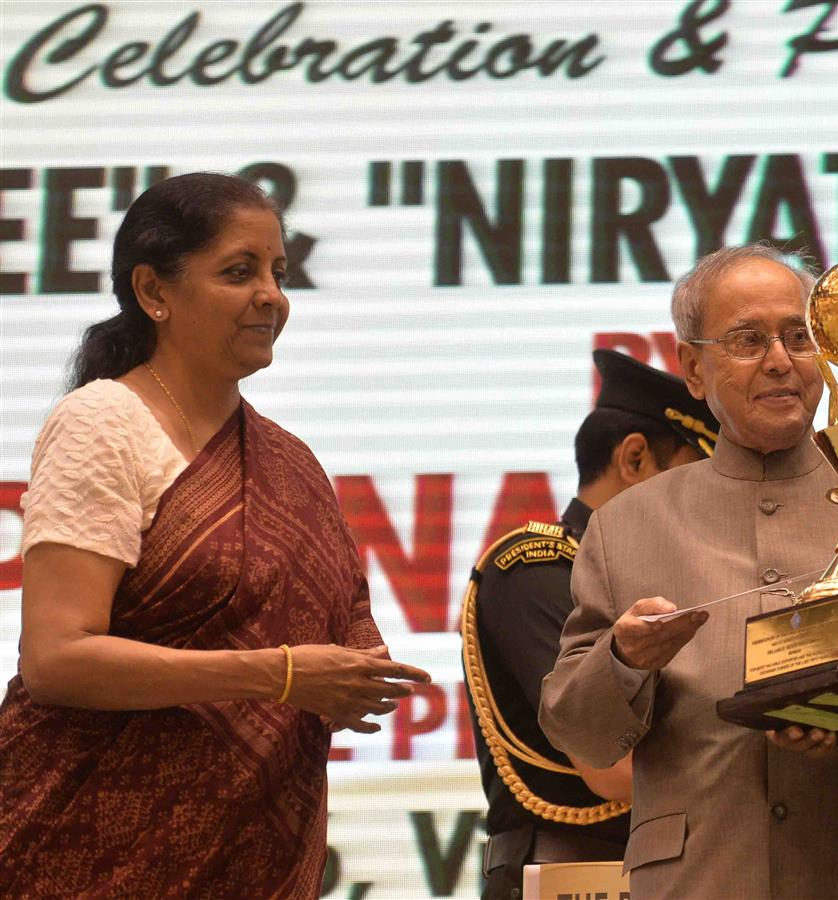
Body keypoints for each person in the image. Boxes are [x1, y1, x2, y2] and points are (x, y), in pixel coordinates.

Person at [0, 172, 429, 897]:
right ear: (153, 291)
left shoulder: (288, 457)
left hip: (251, 861)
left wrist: (357, 674)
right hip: (87, 850)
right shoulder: (104, 423)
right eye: (240, 271)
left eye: (279, 272)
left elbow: (344, 617)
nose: (272, 295)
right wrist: (283, 674)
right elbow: (57, 659)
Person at [539, 243, 838, 898]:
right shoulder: (624, 527)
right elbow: (581, 733)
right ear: (692, 368)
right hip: (701, 878)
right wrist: (624, 657)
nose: (780, 362)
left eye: (800, 336)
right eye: (747, 340)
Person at [462, 348, 719, 900]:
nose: (710, 506)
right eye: (696, 479)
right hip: (567, 874)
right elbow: (609, 765)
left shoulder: (677, 585)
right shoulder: (536, 567)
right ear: (634, 459)